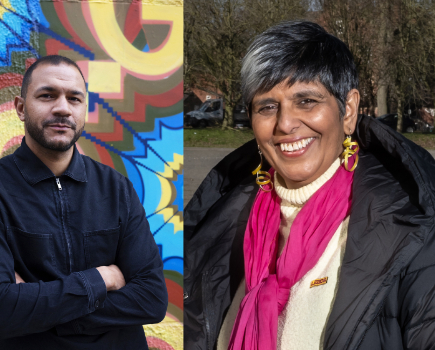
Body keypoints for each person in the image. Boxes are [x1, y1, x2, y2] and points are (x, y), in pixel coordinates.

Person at [184, 21, 435, 350]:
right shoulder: (219, 221)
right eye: (268, 107)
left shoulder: (414, 231)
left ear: (347, 110)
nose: (286, 123)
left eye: (306, 101)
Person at [0, 55, 168, 349]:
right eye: (47, 96)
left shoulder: (117, 188)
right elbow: (0, 311)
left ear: (85, 110)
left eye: (74, 99)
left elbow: (152, 299)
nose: (62, 108)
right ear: (21, 108)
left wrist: (36, 309)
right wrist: (100, 279)